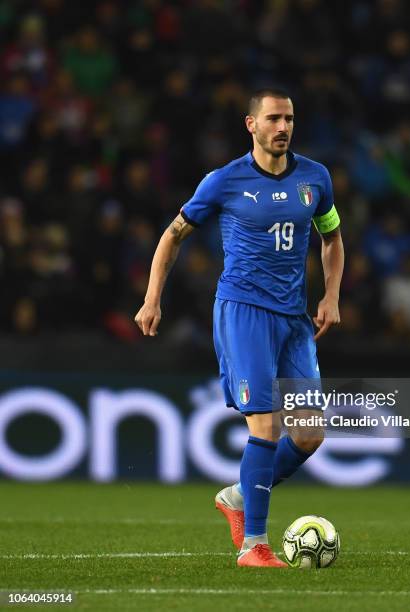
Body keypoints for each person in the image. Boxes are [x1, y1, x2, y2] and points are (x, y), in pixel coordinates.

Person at [134, 88, 344, 567]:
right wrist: (152, 299)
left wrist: (331, 296)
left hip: (293, 319)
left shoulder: (316, 178)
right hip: (244, 312)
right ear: (252, 125)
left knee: (310, 435)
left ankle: (236, 495)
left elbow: (332, 237)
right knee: (267, 425)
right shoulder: (224, 181)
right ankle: (254, 545)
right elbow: (173, 236)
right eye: (273, 119)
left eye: (289, 118)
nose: (283, 127)